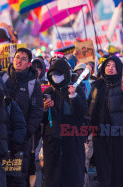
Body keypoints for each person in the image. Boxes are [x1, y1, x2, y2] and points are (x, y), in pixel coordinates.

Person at [87, 56, 123, 187]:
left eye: (114, 66)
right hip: (100, 134)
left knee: (119, 169)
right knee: (103, 169)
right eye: (108, 65)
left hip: (118, 133)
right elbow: (89, 106)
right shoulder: (96, 86)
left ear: (119, 69)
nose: (110, 68)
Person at [42, 58, 87, 187]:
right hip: (52, 141)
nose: (55, 77)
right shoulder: (48, 92)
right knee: (53, 176)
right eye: (53, 75)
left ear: (66, 74)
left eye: (59, 74)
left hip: (72, 139)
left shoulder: (75, 89)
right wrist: (44, 108)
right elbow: (41, 118)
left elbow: (82, 112)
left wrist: (73, 97)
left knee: (72, 175)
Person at [5, 48, 44, 186]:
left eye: (23, 59)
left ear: (29, 64)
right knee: (3, 176)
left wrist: (26, 132)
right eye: (17, 57)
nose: (19, 61)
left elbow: (37, 111)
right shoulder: (4, 79)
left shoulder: (33, 84)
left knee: (19, 176)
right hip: (3, 136)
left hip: (22, 138)